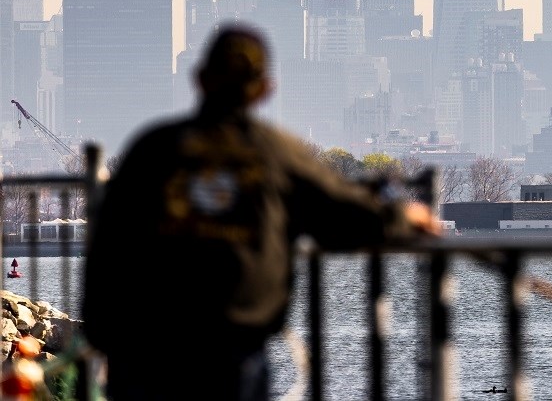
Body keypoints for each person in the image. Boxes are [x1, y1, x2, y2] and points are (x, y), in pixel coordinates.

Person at [82, 26, 440, 401]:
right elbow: (344, 216)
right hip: (234, 354)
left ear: (200, 79)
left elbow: (107, 249)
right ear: (265, 89)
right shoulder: (277, 154)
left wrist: (104, 338)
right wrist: (402, 216)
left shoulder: (152, 150)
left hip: (144, 354)